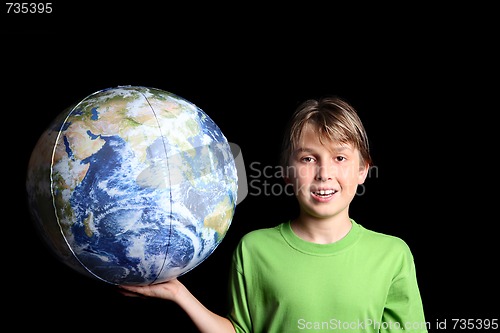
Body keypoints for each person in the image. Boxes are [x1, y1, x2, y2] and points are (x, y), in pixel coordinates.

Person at [120, 96, 428, 333]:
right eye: (308, 158)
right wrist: (179, 295)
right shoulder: (255, 249)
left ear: (363, 170)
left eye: (340, 157)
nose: (324, 173)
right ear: (286, 172)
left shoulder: (392, 255)